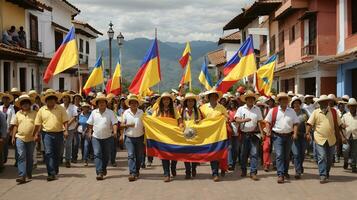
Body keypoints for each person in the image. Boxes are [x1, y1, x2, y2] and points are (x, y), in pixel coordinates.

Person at [306, 95, 346, 184]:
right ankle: (322, 175)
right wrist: (308, 133)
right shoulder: (316, 112)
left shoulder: (334, 112)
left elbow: (339, 124)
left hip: (331, 138)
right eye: (322, 102)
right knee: (322, 157)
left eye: (326, 102)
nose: (324, 103)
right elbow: (309, 124)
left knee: (330, 159)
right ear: (319, 103)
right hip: (319, 138)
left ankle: (326, 172)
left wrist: (342, 129)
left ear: (328, 102)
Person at [34, 89, 69, 181]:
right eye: (49, 99)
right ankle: (51, 173)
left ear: (55, 100)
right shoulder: (41, 110)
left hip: (59, 133)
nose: (51, 101)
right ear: (46, 101)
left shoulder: (61, 108)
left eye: (53, 99)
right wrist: (36, 134)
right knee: (48, 153)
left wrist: (66, 130)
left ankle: (55, 169)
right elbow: (38, 123)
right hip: (46, 134)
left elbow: (65, 120)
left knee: (58, 153)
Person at [265, 92, 299, 184]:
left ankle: (285, 171)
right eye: (282, 99)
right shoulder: (273, 110)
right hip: (277, 136)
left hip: (289, 136)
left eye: (286, 100)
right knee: (279, 155)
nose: (284, 101)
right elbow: (267, 121)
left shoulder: (291, 111)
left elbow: (296, 123)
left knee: (286, 156)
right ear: (279, 101)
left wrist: (295, 133)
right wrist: (268, 130)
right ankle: (280, 174)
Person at [153, 92, 183, 182]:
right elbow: (152, 120)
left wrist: (181, 125)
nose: (166, 101)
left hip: (173, 136)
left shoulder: (174, 110)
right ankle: (167, 174)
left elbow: (179, 119)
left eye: (167, 99)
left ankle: (173, 167)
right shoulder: (157, 111)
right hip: (162, 137)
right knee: (164, 155)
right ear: (162, 101)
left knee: (174, 154)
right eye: (164, 99)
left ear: (170, 101)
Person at [87, 94, 118, 180]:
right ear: (97, 104)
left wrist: (115, 131)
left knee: (106, 155)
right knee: (97, 154)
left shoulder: (110, 112)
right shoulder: (94, 112)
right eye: (99, 102)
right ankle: (99, 172)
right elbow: (90, 124)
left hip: (108, 137)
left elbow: (115, 123)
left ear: (106, 103)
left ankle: (103, 168)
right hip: (96, 137)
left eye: (103, 102)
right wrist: (89, 132)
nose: (101, 104)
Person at [200, 89, 228, 182]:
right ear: (208, 98)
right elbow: (199, 118)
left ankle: (217, 172)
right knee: (211, 153)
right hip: (207, 134)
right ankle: (214, 172)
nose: (213, 98)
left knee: (217, 153)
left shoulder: (221, 107)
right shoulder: (203, 107)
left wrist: (224, 118)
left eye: (215, 96)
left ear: (217, 98)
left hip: (219, 134)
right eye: (211, 96)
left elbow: (227, 118)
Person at [235, 91, 263, 181]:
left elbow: (259, 122)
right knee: (243, 154)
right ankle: (243, 170)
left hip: (254, 135)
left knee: (254, 154)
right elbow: (236, 119)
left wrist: (262, 133)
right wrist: (244, 120)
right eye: (249, 99)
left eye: (252, 98)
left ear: (254, 100)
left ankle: (253, 172)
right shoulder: (241, 109)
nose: (250, 100)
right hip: (244, 134)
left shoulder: (257, 109)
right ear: (246, 100)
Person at [11, 95, 36, 184]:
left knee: (29, 157)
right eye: (23, 103)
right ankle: (22, 175)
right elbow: (15, 125)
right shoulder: (18, 114)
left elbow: (38, 125)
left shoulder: (34, 113)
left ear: (29, 104)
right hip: (20, 137)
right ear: (21, 105)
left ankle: (28, 172)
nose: (25, 105)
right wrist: (13, 136)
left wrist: (37, 134)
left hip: (31, 139)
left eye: (26, 103)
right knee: (21, 155)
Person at [121, 94, 145, 182]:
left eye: (135, 103)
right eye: (132, 103)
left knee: (139, 156)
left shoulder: (141, 112)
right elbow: (122, 125)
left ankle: (137, 170)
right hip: (129, 137)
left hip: (140, 137)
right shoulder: (126, 113)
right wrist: (128, 125)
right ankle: (132, 173)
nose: (134, 104)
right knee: (131, 155)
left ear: (138, 104)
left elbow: (145, 124)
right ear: (129, 104)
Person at [181, 93, 202, 179]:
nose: (190, 102)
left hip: (194, 135)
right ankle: (187, 172)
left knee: (194, 154)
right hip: (185, 136)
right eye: (189, 101)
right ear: (186, 102)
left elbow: (201, 121)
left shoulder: (197, 111)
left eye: (192, 101)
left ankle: (193, 168)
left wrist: (198, 122)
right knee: (186, 154)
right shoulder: (181, 111)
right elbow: (179, 120)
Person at [290, 96, 309, 179]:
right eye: (295, 103)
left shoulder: (304, 112)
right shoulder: (290, 112)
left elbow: (307, 122)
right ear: (292, 104)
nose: (296, 104)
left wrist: (308, 133)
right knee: (296, 153)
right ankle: (298, 171)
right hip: (294, 136)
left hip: (303, 136)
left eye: (298, 103)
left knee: (302, 153)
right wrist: (294, 132)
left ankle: (300, 166)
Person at [60, 92, 78, 167]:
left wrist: (67, 126)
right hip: (60, 128)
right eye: (64, 97)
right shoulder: (59, 106)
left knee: (68, 144)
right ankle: (60, 157)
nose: (65, 99)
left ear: (69, 99)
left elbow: (74, 117)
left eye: (66, 97)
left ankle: (67, 160)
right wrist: (63, 126)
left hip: (70, 128)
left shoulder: (73, 107)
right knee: (61, 144)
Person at [341, 98, 357, 172]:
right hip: (346, 136)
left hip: (355, 136)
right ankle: (346, 161)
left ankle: (353, 166)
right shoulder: (345, 116)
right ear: (348, 107)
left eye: (354, 106)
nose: (352, 107)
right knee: (345, 150)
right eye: (351, 106)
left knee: (354, 152)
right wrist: (342, 137)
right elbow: (340, 127)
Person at [0, 93, 16, 164]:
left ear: (9, 100)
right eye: (4, 99)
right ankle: (2, 159)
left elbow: (13, 118)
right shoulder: (0, 107)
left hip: (7, 129)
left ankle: (5, 157)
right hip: (0, 128)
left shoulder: (12, 108)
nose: (6, 100)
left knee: (5, 145)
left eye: (7, 99)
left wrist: (10, 129)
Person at [227, 99, 240, 171]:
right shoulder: (227, 111)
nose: (232, 104)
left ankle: (234, 162)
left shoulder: (239, 111)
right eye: (230, 102)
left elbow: (241, 119)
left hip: (238, 132)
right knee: (229, 148)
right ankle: (230, 163)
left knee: (236, 149)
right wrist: (229, 121)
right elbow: (225, 120)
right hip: (230, 131)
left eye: (233, 102)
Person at [78, 102, 91, 166]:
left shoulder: (90, 115)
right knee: (82, 146)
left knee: (86, 145)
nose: (85, 108)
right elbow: (78, 122)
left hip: (87, 131)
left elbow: (90, 124)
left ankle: (85, 159)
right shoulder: (80, 114)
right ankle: (83, 157)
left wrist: (85, 131)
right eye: (84, 107)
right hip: (79, 132)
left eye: (86, 107)